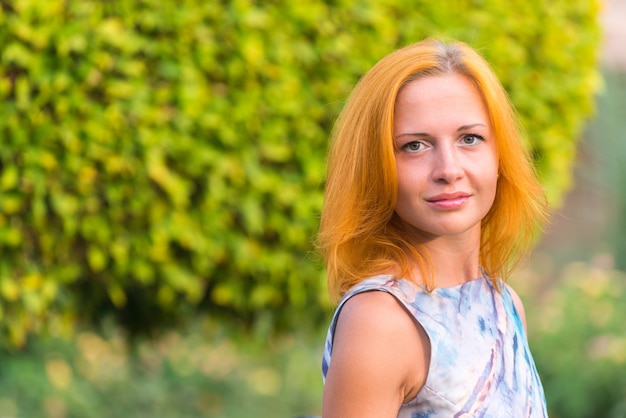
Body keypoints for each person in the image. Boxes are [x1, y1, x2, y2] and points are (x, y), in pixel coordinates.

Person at [317, 38, 550, 417]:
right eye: (415, 146)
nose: (449, 170)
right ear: (376, 167)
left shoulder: (503, 304)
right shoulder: (380, 320)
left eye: (469, 139)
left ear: (499, 155)